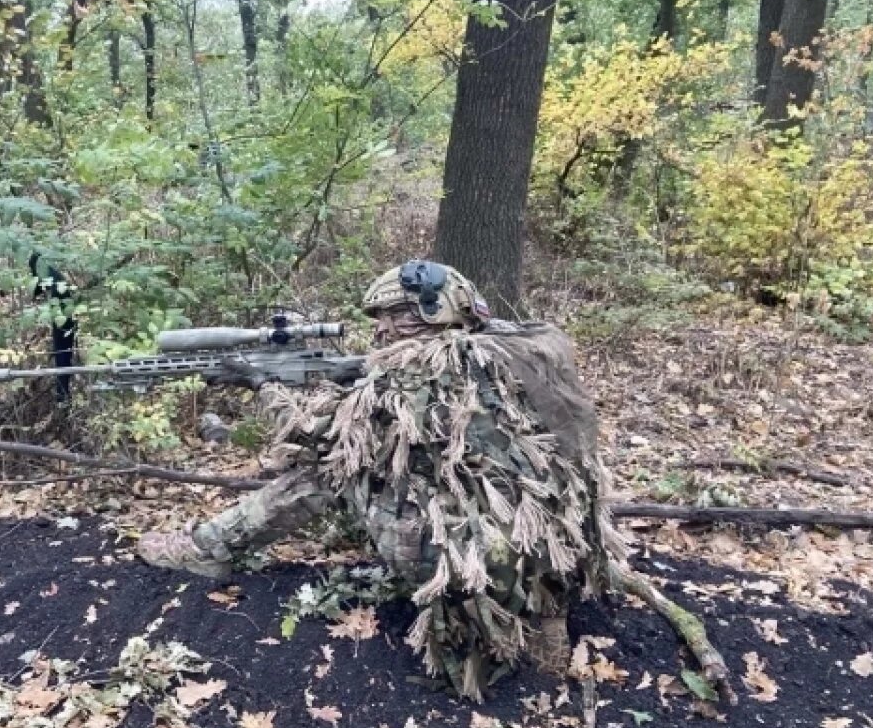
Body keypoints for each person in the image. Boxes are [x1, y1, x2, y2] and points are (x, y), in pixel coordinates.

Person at [135, 260, 627, 700]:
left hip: (463, 561)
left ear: (438, 309)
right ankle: (544, 614)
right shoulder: (511, 346)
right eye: (381, 318)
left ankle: (206, 550)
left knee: (324, 472)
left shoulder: (419, 369)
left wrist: (264, 386)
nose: (385, 330)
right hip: (555, 548)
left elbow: (316, 436)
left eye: (400, 314)